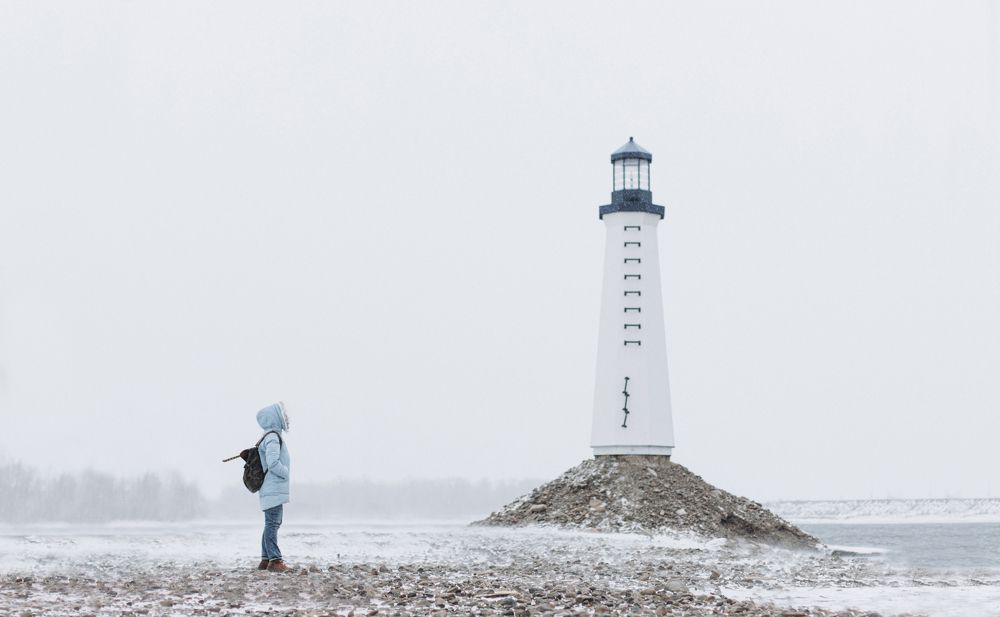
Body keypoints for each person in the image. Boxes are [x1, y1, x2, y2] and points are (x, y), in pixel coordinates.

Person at [255, 401, 291, 572]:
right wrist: (285, 473)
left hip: (271, 489)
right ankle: (275, 561)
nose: (286, 417)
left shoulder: (269, 436)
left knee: (271, 523)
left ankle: (265, 559)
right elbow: (273, 462)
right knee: (272, 523)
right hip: (273, 488)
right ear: (275, 418)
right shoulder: (272, 437)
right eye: (282, 414)